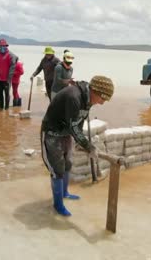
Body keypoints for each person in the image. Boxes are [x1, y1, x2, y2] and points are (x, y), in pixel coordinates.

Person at [41, 75, 114, 216]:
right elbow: (74, 127)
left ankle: (65, 193)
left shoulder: (88, 99)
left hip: (66, 133)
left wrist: (81, 142)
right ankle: (58, 204)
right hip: (52, 133)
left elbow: (79, 121)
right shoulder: (73, 97)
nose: (103, 103)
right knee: (57, 169)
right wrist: (89, 146)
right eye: (103, 98)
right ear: (95, 91)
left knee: (68, 164)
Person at [0, 38, 18, 110]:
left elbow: (13, 66)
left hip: (6, 79)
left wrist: (9, 78)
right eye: (1, 46)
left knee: (6, 94)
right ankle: (1, 107)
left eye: (4, 46)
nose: (2, 47)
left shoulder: (10, 55)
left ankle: (6, 108)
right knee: (0, 94)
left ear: (6, 46)